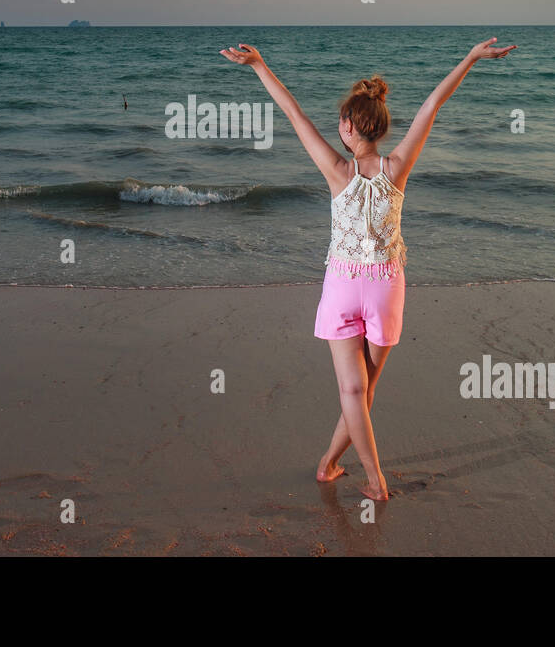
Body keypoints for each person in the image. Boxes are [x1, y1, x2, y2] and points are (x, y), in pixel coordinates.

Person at [220, 36, 516, 501]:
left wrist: (259, 66)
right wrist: (472, 59)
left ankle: (331, 464)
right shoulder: (397, 167)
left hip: (342, 284)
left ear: (346, 127)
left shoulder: (336, 170)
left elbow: (293, 114)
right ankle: (369, 478)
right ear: (379, 128)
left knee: (354, 393)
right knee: (363, 392)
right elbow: (433, 104)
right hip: (385, 286)